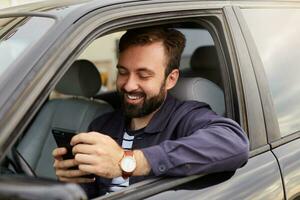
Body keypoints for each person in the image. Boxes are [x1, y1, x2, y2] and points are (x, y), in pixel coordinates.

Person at [52, 27, 249, 197]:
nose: (129, 85)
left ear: (171, 79)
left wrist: (130, 161)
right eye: (122, 72)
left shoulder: (186, 117)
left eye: (143, 75)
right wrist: (73, 181)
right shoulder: (101, 126)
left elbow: (234, 142)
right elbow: (90, 193)